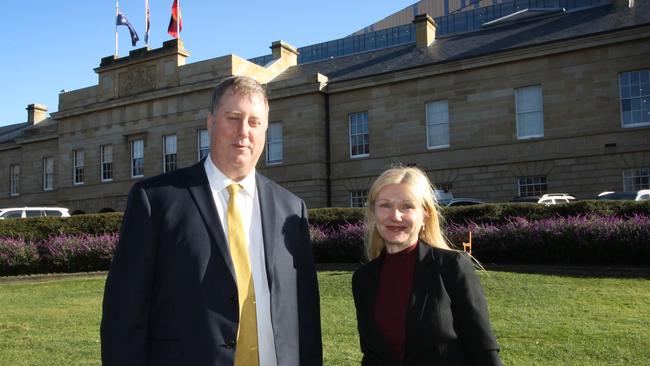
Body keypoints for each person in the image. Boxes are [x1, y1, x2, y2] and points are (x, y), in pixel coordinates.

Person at [101, 75, 322, 366]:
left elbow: (306, 314)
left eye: (255, 122)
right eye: (233, 118)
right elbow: (124, 315)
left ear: (266, 130)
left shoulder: (292, 209)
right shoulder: (155, 200)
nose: (244, 132)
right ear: (210, 123)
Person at [352, 166, 502, 366]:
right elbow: (372, 356)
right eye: (385, 205)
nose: (395, 216)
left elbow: (484, 351)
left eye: (407, 206)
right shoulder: (364, 279)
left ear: (425, 215)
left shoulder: (452, 267)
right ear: (374, 213)